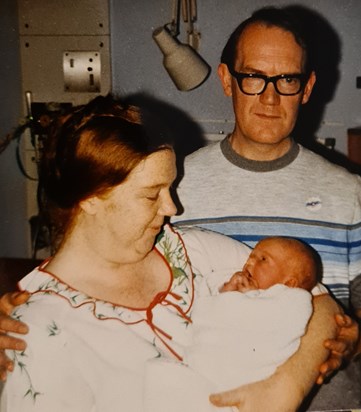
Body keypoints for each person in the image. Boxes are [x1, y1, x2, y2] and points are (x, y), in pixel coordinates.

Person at [0, 94, 340, 412]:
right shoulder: (37, 328)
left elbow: (317, 299)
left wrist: (287, 388)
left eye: (170, 187)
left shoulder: (188, 249)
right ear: (89, 198)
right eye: (151, 195)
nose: (172, 207)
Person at [173, 5, 361, 410]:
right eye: (254, 78)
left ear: (307, 88)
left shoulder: (350, 195)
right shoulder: (170, 188)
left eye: (287, 80)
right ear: (227, 80)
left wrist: (357, 340)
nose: (271, 98)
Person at [144, 236, 323, 412]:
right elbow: (208, 310)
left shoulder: (292, 303)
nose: (249, 263)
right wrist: (226, 291)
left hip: (247, 378)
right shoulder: (239, 284)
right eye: (251, 257)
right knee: (159, 374)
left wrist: (253, 300)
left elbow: (276, 326)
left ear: (289, 283)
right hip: (207, 363)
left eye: (263, 259)